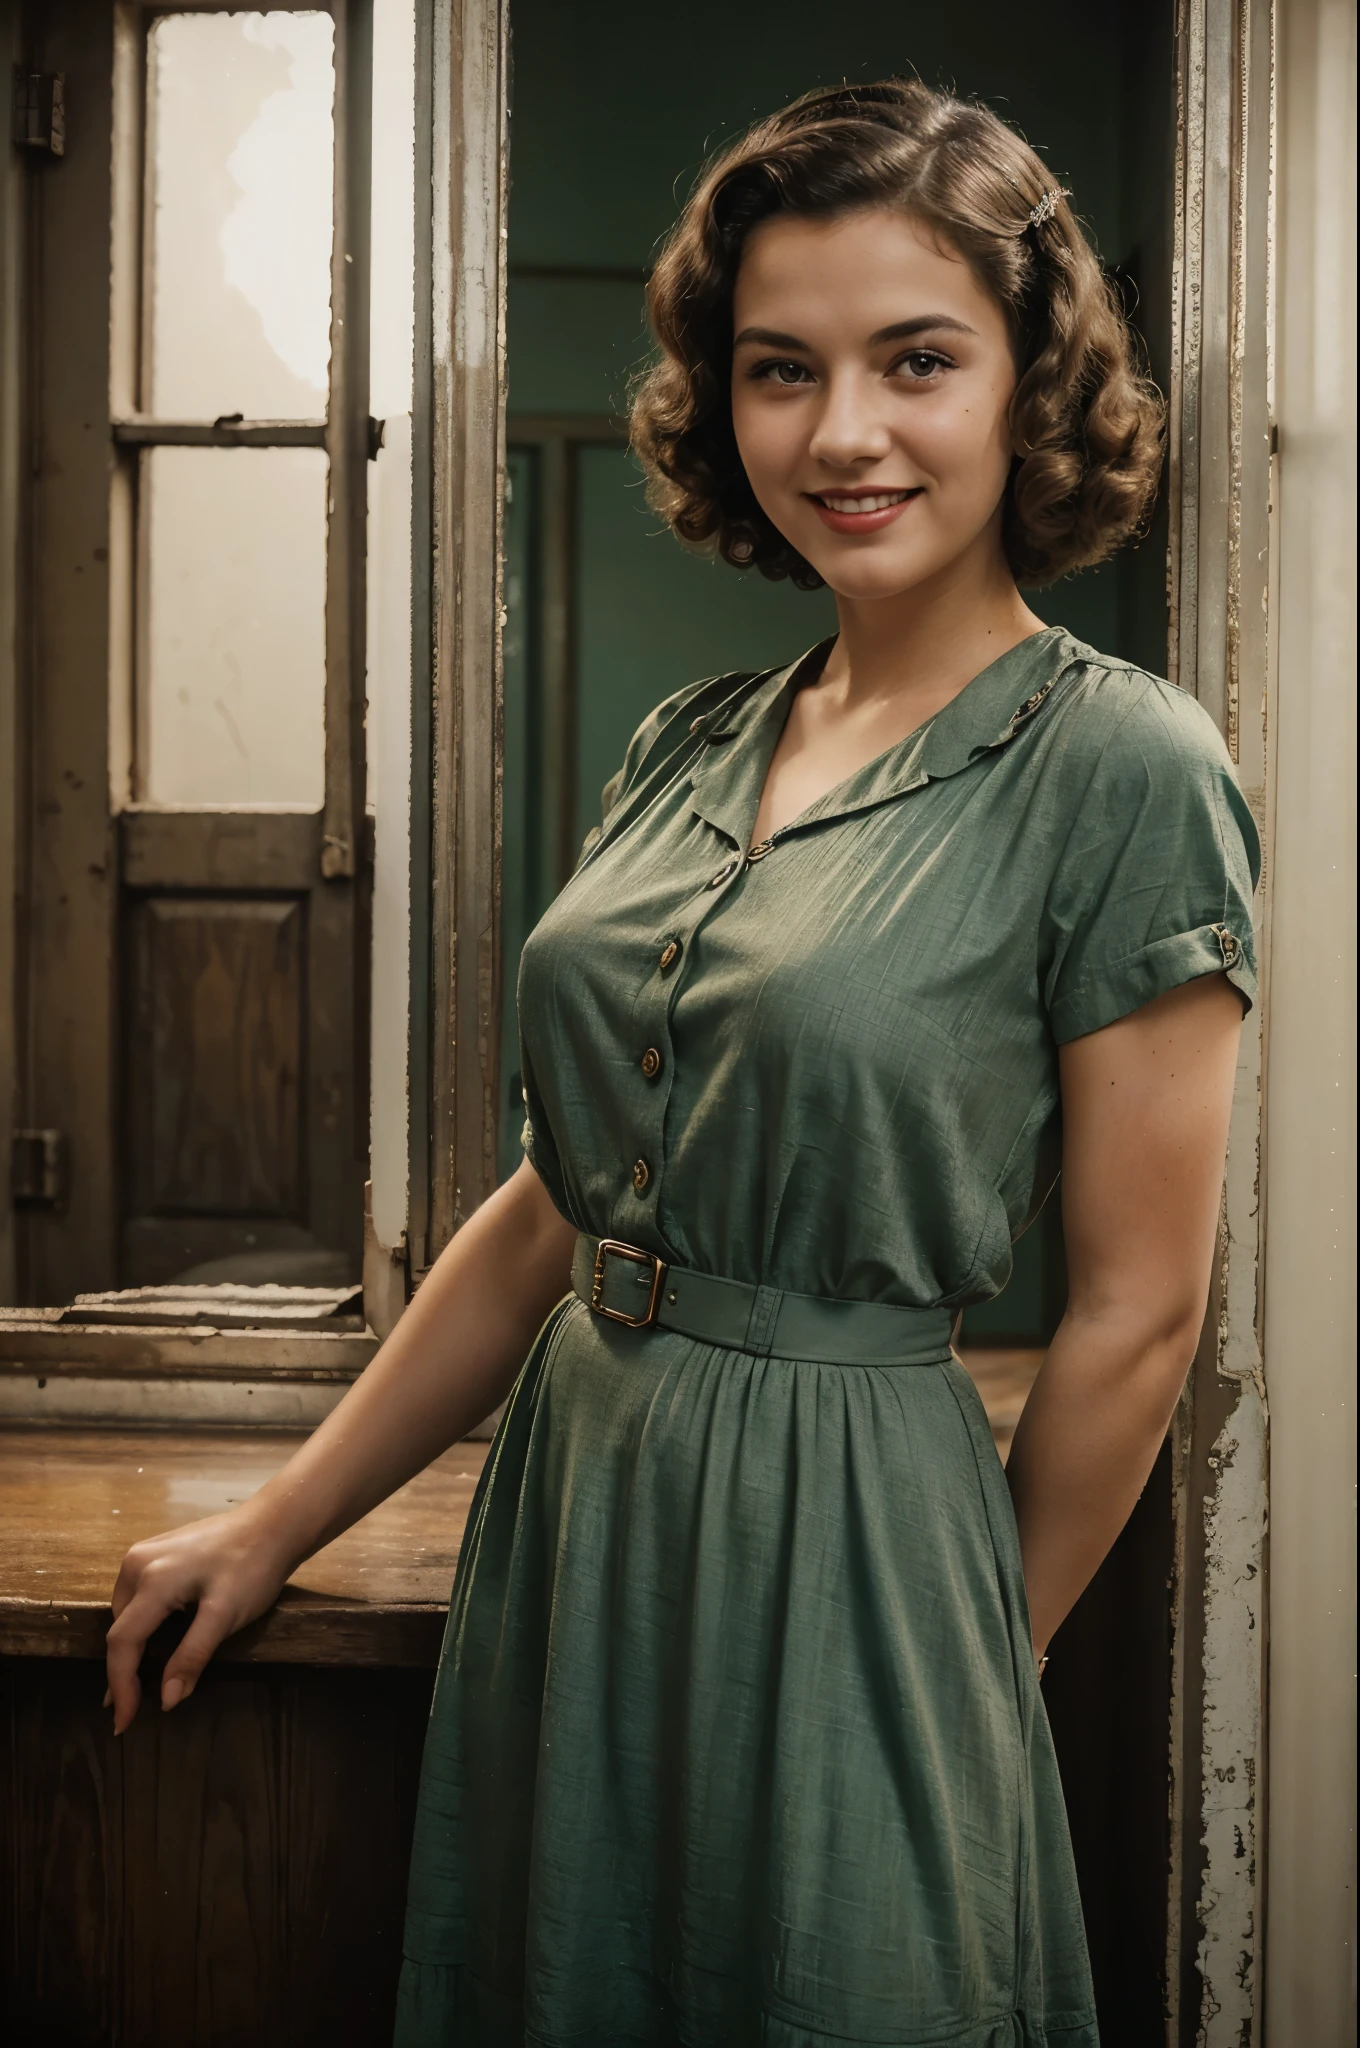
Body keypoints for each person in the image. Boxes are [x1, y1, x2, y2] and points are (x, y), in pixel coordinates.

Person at [107, 79, 1259, 2047]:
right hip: (582, 1500)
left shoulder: (1122, 766)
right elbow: (566, 1202)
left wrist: (963, 1662)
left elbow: (1138, 1316)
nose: (841, 432)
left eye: (915, 360)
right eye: (776, 368)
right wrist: (277, 1516)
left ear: (1026, 382)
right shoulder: (688, 740)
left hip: (863, 1546)